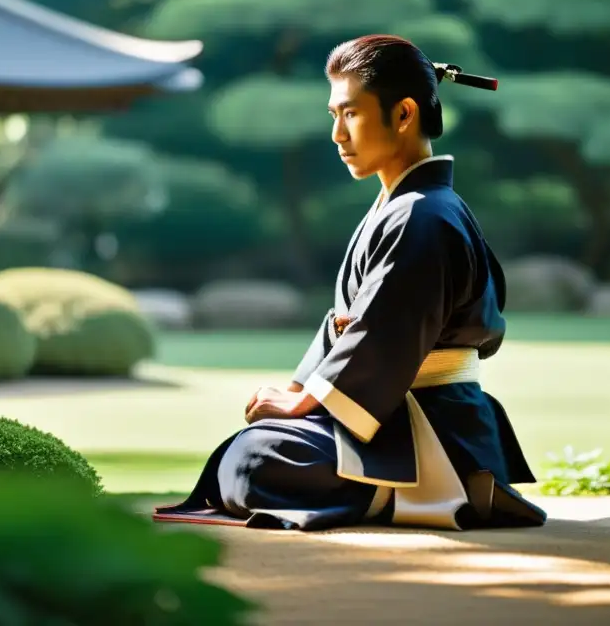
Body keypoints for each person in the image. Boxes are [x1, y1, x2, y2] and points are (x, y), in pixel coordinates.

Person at [154, 35, 546, 532]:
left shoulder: (423, 216)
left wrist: (303, 403)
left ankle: (425, 493)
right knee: (253, 449)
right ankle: (397, 490)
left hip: (426, 427)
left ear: (403, 115)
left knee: (256, 459)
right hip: (391, 413)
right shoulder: (411, 208)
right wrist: (299, 392)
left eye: (351, 114)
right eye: (333, 115)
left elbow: (386, 335)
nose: (337, 134)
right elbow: (354, 326)